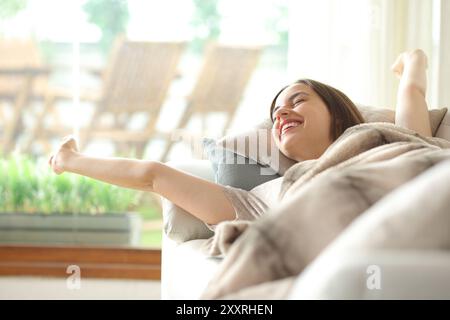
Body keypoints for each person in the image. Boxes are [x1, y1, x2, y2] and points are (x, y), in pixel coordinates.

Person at [48, 49, 432, 227]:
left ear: (337, 111)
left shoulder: (382, 138)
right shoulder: (268, 198)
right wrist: (70, 161)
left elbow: (412, 98)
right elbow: (153, 173)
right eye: (276, 114)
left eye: (298, 101)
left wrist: (412, 61)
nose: (281, 114)